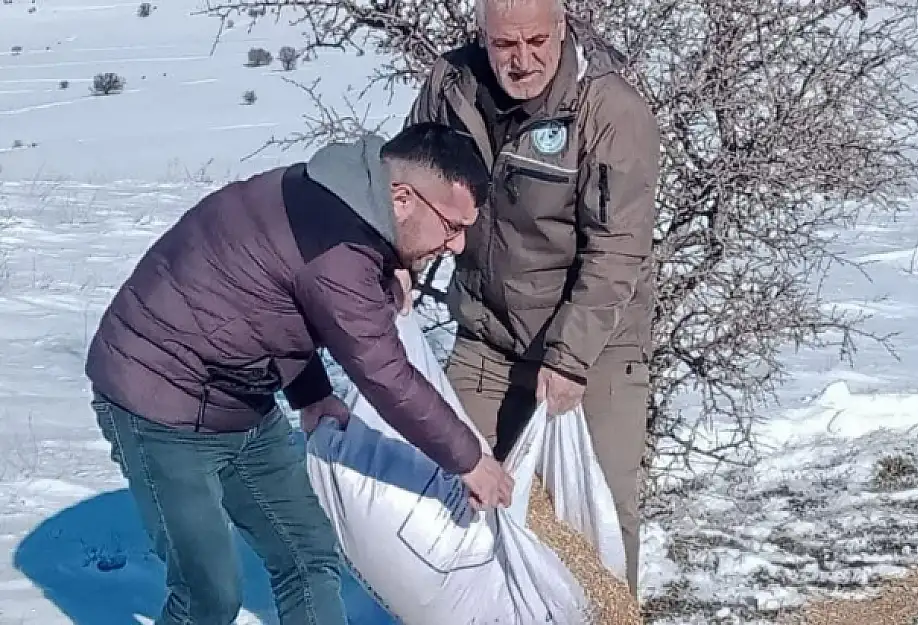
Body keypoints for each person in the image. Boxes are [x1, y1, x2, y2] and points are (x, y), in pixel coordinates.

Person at [83, 122, 516, 625]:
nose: (458, 245)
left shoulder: (340, 195)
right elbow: (384, 372)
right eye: (452, 226)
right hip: (155, 403)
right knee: (209, 595)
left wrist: (311, 394)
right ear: (401, 198)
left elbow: (270, 300)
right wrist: (468, 459)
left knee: (308, 556)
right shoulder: (337, 247)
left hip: (236, 400)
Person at [402, 0, 661, 593]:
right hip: (488, 337)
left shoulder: (609, 111)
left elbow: (618, 249)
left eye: (536, 42)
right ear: (483, 36)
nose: (522, 61)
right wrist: (397, 262)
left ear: (563, 28)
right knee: (447, 493)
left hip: (594, 349)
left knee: (596, 526)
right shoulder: (453, 84)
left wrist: (569, 358)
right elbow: (408, 183)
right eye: (505, 45)